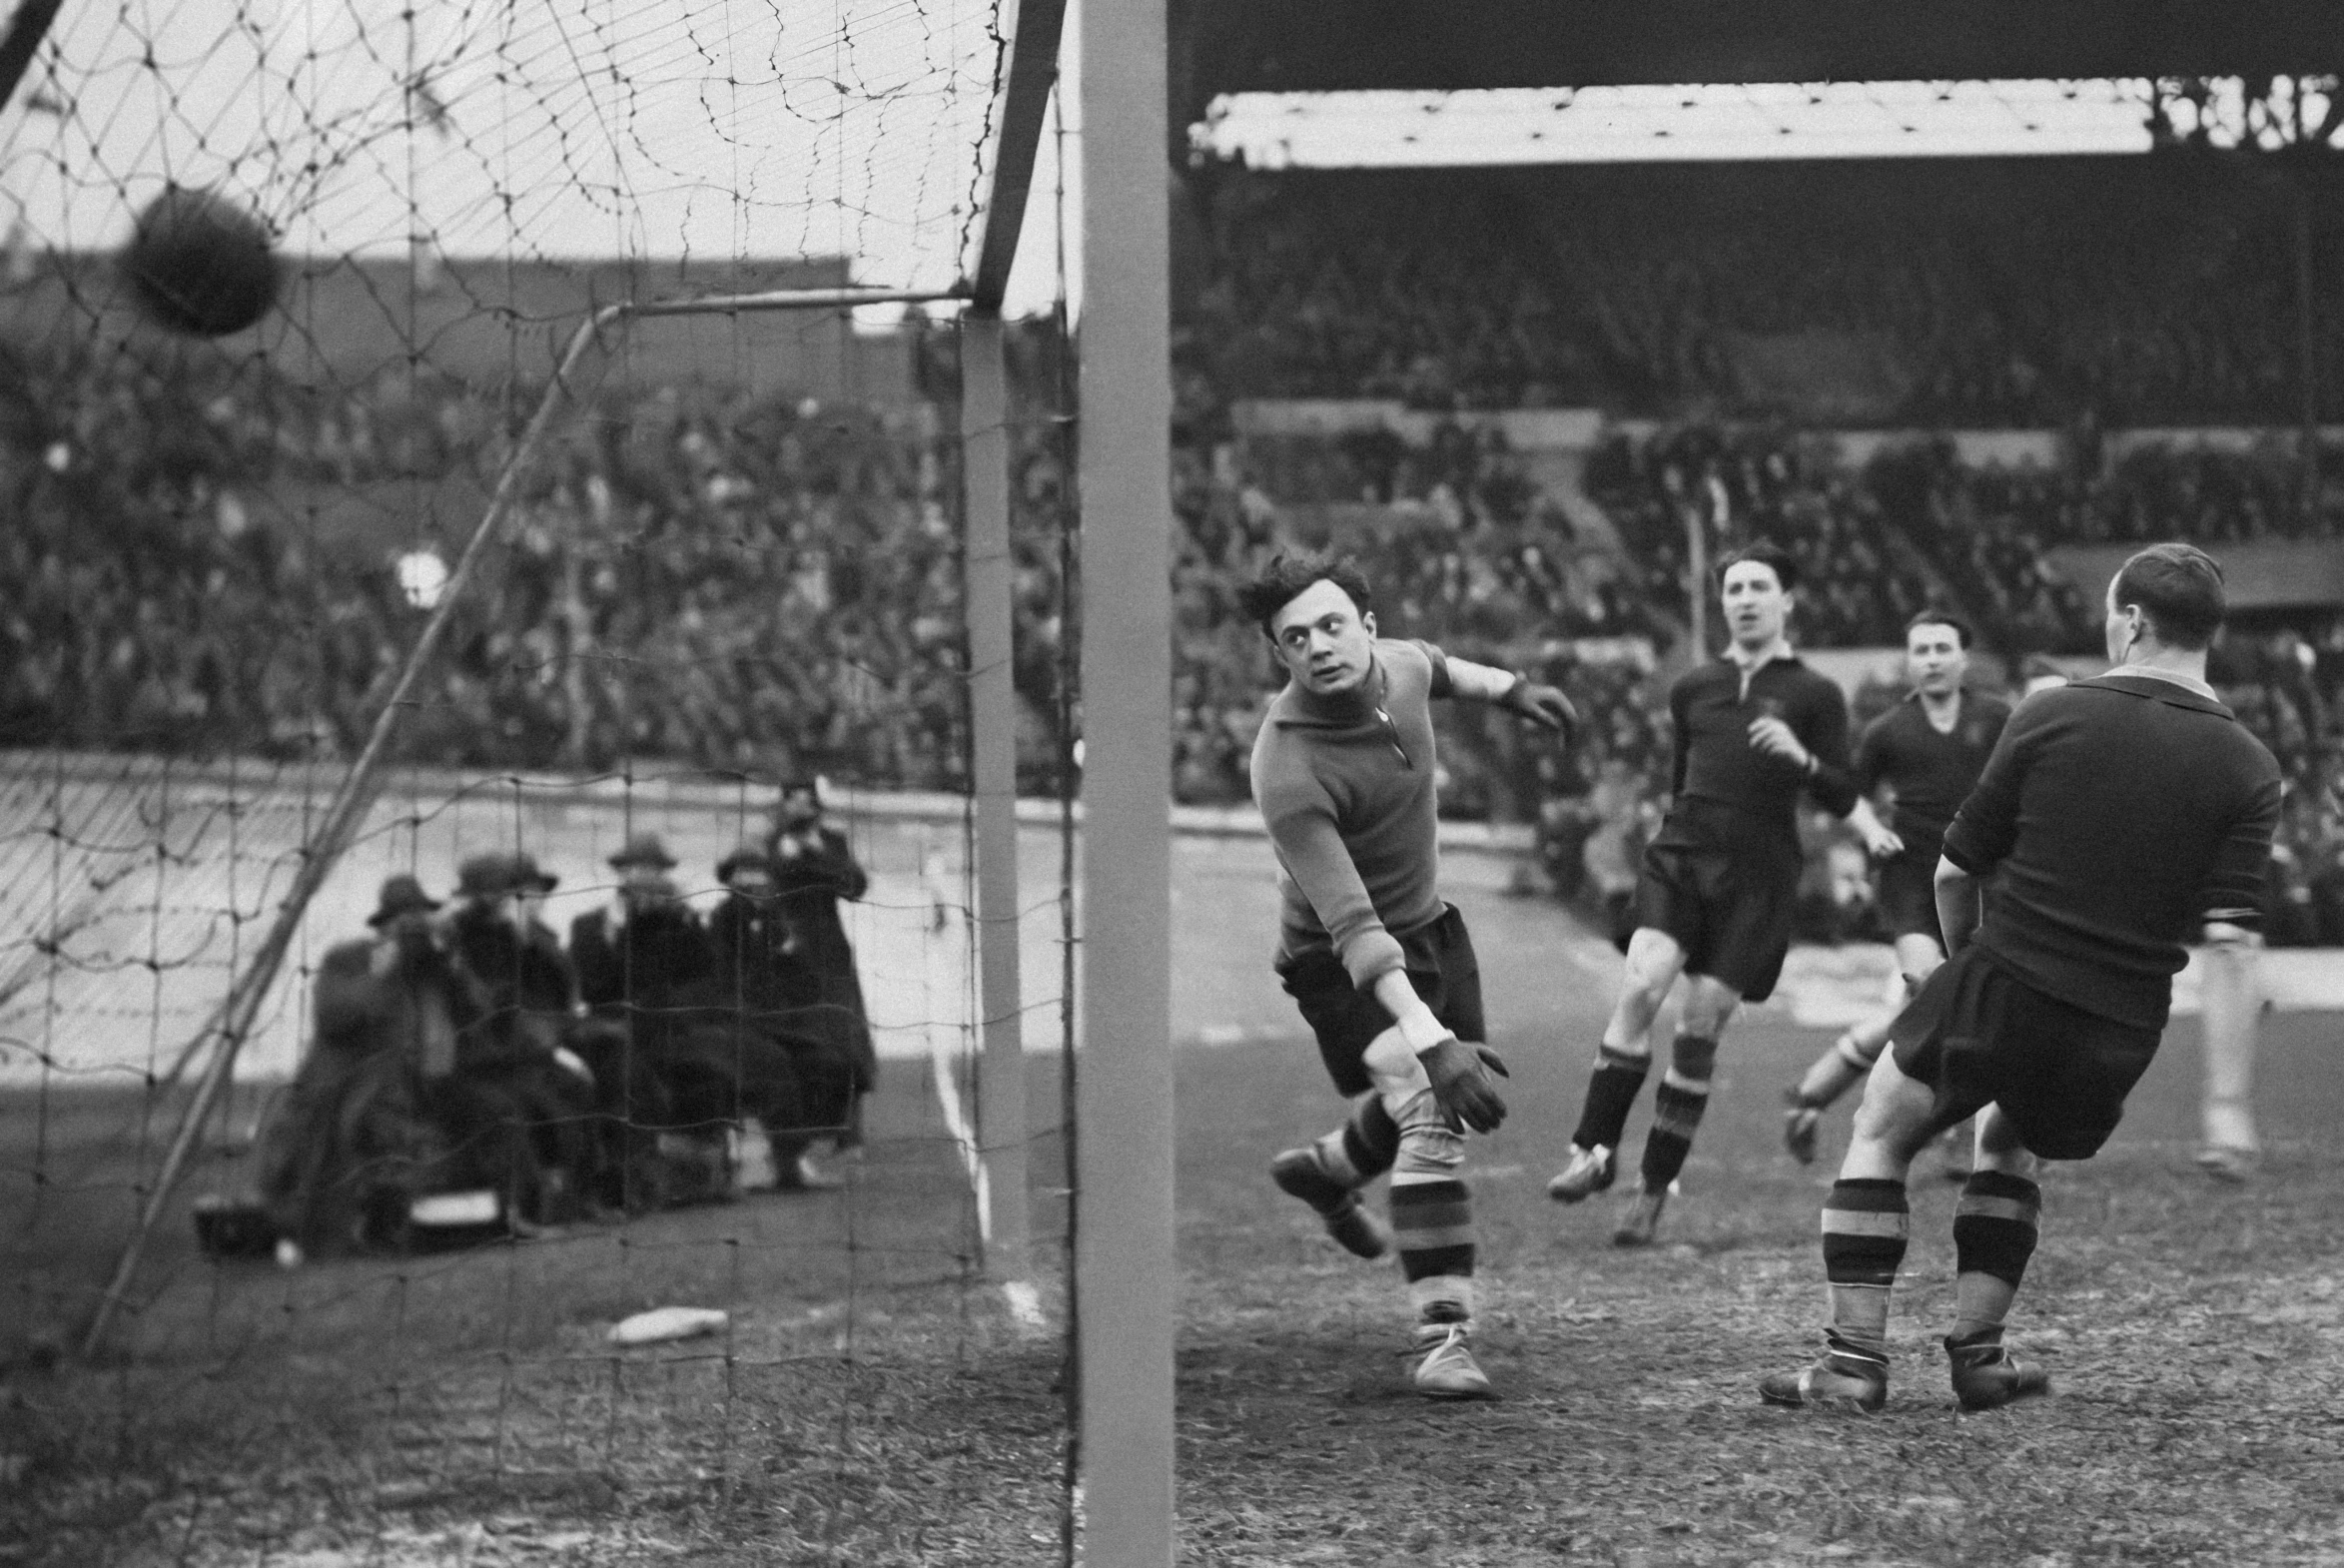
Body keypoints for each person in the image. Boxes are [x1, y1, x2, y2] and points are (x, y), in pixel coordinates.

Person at [1760, 544, 2280, 1414]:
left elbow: (1955, 870)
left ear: (2130, 621)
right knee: (2008, 1145)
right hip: (2120, 1024)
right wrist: (2226, 1104)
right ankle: (1978, 1358)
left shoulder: (2051, 715)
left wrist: (1961, 968)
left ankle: (1852, 1365)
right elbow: (2230, 944)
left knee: (1882, 1129)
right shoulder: (2248, 765)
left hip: (2007, 976)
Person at [1244, 550, 1577, 1400]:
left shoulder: (1398, 664)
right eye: (1294, 637)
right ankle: (1443, 1337)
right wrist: (1428, 1039)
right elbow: (1353, 928)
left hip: (1430, 929)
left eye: (1329, 625)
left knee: (1431, 1097)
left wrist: (1511, 689)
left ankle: (1325, 1170)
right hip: (1336, 966)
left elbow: (1436, 663)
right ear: (1278, 655)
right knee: (1432, 1100)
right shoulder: (1285, 767)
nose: (1317, 646)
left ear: (1365, 626)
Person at [1549, 540, 1859, 1245]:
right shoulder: (1693, 688)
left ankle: (1652, 1193)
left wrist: (1803, 759)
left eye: (1758, 587)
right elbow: (1680, 775)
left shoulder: (1815, 694)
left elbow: (1841, 790)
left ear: (1787, 601)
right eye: (1733, 589)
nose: (1743, 599)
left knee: (1698, 1026)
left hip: (1758, 873)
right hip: (1683, 852)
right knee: (1638, 987)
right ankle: (1590, 1153)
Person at [1783, 611, 2011, 1173]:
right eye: (1921, 650)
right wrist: (1871, 833)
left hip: (1981, 876)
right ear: (1910, 661)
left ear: (1963, 658)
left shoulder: (1998, 718)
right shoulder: (1887, 730)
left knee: (1928, 1010)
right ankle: (1957, 1136)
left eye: (1941, 648)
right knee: (1938, 990)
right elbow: (1850, 797)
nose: (1931, 659)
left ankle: (1813, 1094)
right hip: (1911, 878)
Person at [256, 874, 507, 1253]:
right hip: (368, 1091)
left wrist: (454, 957)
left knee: (495, 1115)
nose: (411, 934)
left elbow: (483, 1012)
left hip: (436, 1087)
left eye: (419, 921)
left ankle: (501, 1216)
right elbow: (334, 1017)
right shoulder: (350, 959)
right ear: (383, 926)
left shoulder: (438, 968)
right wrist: (380, 972)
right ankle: (373, 1227)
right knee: (382, 1137)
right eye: (401, 923)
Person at [693, 842, 860, 1189]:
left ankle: (801, 1153)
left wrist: (789, 958)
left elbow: (805, 985)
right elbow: (722, 983)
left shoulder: (776, 921)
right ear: (732, 881)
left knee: (833, 1064)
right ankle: (773, 1159)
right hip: (736, 1023)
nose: (755, 884)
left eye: (761, 875)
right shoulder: (722, 921)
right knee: (774, 1064)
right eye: (745, 876)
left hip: (779, 1023)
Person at [762, 778, 879, 1145]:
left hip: (828, 948)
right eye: (791, 801)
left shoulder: (830, 842)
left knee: (845, 1033)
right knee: (798, 1035)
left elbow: (855, 887)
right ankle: (802, 1130)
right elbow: (761, 888)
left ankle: (848, 1127)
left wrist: (815, 853)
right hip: (784, 948)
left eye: (805, 802)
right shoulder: (769, 845)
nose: (798, 809)